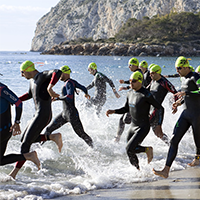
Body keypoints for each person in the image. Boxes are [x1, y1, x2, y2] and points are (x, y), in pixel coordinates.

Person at [9, 60, 63, 179]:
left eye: (22, 72)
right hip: (37, 114)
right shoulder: (32, 81)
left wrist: (50, 87)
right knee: (24, 139)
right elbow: (29, 95)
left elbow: (58, 72)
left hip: (43, 115)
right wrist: (14, 100)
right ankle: (52, 137)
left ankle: (13, 174)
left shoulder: (42, 76)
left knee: (25, 145)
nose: (21, 75)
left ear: (29, 69)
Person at [153, 56, 200, 178]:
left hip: (197, 115)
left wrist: (186, 93)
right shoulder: (183, 79)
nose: (177, 71)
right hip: (186, 114)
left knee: (198, 142)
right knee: (174, 140)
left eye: (179, 68)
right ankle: (165, 170)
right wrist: (178, 103)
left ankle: (198, 158)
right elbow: (187, 96)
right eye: (176, 69)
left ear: (185, 67)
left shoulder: (196, 77)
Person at [106, 71, 164, 170]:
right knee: (130, 150)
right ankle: (137, 171)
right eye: (129, 81)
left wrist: (159, 125)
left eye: (133, 81)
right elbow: (126, 109)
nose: (131, 83)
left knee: (129, 148)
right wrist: (114, 111)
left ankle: (147, 150)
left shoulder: (146, 94)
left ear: (140, 81)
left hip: (143, 126)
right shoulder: (130, 93)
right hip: (133, 126)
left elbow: (160, 108)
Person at [44, 65, 93, 147]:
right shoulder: (72, 82)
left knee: (82, 134)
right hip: (64, 114)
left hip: (72, 115)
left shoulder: (69, 83)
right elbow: (84, 88)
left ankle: (94, 148)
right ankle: (39, 148)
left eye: (61, 74)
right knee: (48, 129)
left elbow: (69, 97)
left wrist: (58, 98)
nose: (59, 76)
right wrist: (86, 93)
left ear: (65, 73)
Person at [0, 81, 40, 170]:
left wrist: (17, 122)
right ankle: (28, 156)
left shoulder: (2, 89)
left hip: (3, 130)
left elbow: (18, 103)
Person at [148, 64, 178, 144]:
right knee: (158, 134)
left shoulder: (164, 82)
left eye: (152, 73)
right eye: (150, 73)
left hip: (157, 111)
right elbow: (145, 91)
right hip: (150, 109)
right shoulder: (153, 81)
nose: (150, 75)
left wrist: (175, 104)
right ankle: (170, 145)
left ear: (158, 73)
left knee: (143, 127)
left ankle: (135, 146)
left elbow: (175, 92)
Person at [115, 58, 142, 142]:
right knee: (122, 119)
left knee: (126, 120)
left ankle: (130, 139)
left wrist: (125, 87)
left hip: (136, 100)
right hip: (135, 99)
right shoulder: (137, 73)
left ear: (135, 65)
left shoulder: (138, 73)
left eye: (130, 65)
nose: (129, 67)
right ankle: (117, 138)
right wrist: (125, 83)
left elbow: (137, 84)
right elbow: (133, 82)